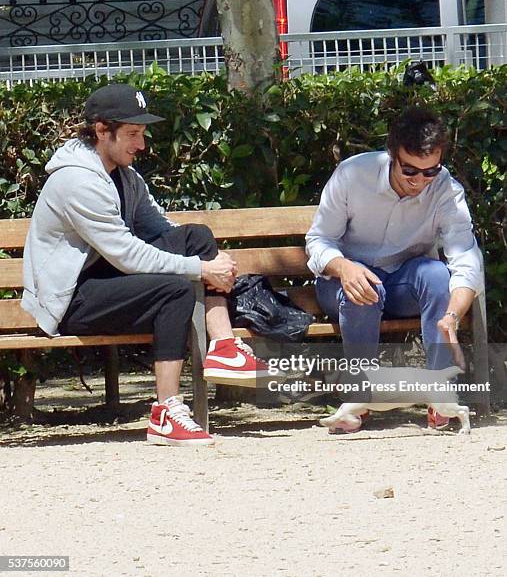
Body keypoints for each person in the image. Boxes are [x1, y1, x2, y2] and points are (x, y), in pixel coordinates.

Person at [22, 83, 268, 447]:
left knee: (196, 236)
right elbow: (126, 253)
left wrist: (205, 258)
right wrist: (201, 270)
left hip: (105, 279)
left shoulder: (123, 175)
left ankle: (224, 347)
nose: (142, 145)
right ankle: (166, 412)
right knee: (174, 288)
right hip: (72, 299)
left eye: (143, 133)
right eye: (133, 134)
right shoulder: (77, 181)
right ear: (102, 130)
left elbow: (159, 228)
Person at [305, 106, 483, 432]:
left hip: (402, 281)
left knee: (436, 275)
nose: (420, 181)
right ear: (392, 154)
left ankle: (439, 399)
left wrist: (453, 315)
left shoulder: (447, 191)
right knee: (364, 288)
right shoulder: (352, 174)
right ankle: (358, 400)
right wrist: (344, 267)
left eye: (430, 172)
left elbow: (466, 259)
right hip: (343, 280)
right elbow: (318, 242)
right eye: (410, 170)